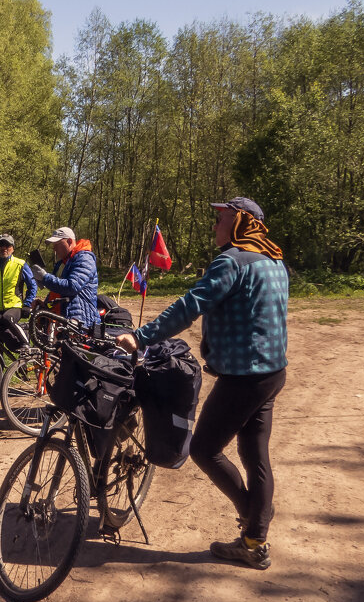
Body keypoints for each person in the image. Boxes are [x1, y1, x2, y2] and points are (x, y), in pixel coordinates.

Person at [116, 196, 288, 570]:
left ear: (242, 222)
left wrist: (141, 337)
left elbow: (190, 306)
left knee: (205, 448)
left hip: (244, 377)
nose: (215, 225)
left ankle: (254, 519)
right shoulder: (274, 260)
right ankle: (255, 536)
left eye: (221, 218)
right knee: (255, 453)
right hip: (273, 373)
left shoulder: (232, 261)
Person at [30, 226, 99, 328]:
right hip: (61, 319)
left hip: (79, 320)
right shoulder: (62, 263)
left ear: (70, 242)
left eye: (57, 244)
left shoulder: (84, 259)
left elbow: (72, 287)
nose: (54, 248)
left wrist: (44, 277)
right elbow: (57, 291)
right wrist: (45, 305)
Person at [0, 233, 37, 355]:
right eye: (1, 244)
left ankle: (26, 344)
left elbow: (32, 286)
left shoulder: (20, 264)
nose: (4, 248)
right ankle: (0, 373)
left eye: (7, 245)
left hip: (14, 306)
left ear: (13, 248)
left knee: (7, 318)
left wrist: (27, 304)